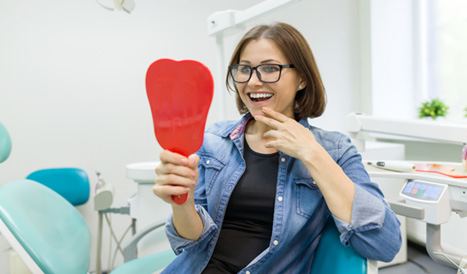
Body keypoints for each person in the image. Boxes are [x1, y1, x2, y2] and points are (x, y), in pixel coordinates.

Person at [153, 22, 402, 274]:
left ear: (302, 79)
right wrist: (181, 204)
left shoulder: (334, 150)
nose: (253, 82)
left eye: (270, 69)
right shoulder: (214, 140)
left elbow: (385, 244)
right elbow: (191, 243)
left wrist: (311, 152)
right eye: (244, 69)